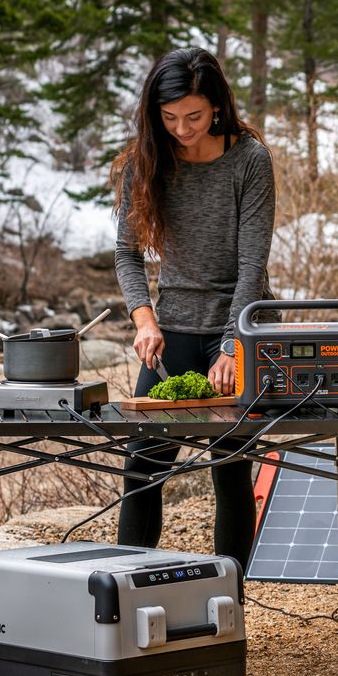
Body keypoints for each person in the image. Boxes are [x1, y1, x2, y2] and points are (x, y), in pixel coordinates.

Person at [110, 47, 274, 568]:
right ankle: (127, 590)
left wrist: (232, 346)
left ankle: (230, 603)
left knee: (230, 465)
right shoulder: (145, 161)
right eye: (170, 116)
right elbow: (126, 254)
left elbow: (252, 267)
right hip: (174, 326)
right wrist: (144, 319)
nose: (182, 128)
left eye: (195, 116)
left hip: (241, 326)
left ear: (218, 108)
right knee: (143, 464)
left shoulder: (250, 160)